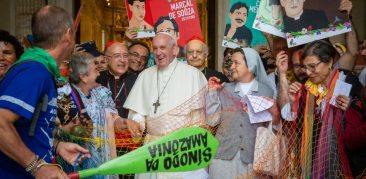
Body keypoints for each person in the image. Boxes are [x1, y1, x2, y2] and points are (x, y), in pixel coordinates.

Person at [0, 5, 90, 178]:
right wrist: (36, 166)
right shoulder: (34, 70)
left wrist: (56, 146)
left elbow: (28, 128)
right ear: (67, 34)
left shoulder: (40, 69)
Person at [124, 32, 208, 179]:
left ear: (175, 50)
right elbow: (138, 112)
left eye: (163, 47)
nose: (158, 52)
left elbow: (199, 117)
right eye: (155, 48)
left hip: (182, 149)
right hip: (151, 146)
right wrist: (138, 124)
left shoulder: (193, 75)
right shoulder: (145, 75)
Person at [277, 40, 355, 178]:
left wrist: (350, 109)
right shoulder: (307, 88)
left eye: (312, 66)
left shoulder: (348, 82)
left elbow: (360, 122)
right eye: (305, 67)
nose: (308, 72)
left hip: (345, 160)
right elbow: (288, 117)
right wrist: (294, 101)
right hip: (313, 161)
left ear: (329, 62)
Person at [205, 47, 278, 179]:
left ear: (250, 66)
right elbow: (212, 121)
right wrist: (211, 93)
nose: (231, 66)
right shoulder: (223, 89)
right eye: (231, 62)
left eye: (236, 63)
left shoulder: (267, 92)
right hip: (222, 159)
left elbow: (273, 127)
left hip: (253, 160)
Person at [56, 52, 126, 178]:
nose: (99, 73)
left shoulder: (102, 93)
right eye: (95, 70)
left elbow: (112, 122)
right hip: (76, 161)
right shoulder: (63, 97)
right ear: (83, 77)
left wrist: (123, 121)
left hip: (104, 160)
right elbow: (53, 130)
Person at [96, 41, 138, 179]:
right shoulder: (97, 79)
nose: (122, 60)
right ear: (107, 59)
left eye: (125, 56)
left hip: (130, 143)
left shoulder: (137, 79)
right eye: (117, 56)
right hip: (102, 142)